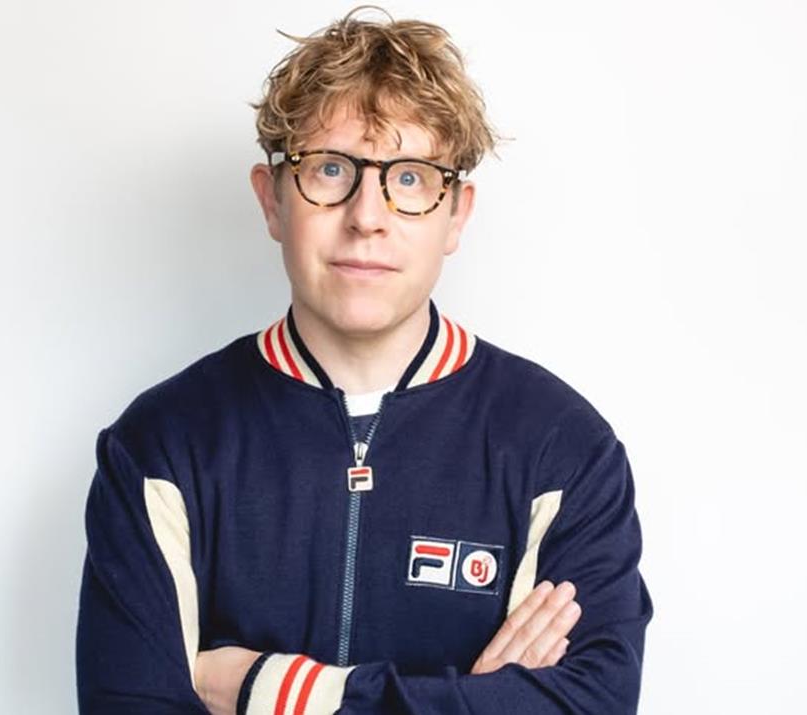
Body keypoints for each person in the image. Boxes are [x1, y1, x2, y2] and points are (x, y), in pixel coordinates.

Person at [75, 7, 653, 714]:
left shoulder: (563, 450)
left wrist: (281, 691)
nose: (367, 215)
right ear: (272, 201)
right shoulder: (162, 445)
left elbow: (591, 706)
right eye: (329, 169)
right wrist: (473, 699)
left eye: (409, 178)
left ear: (457, 214)